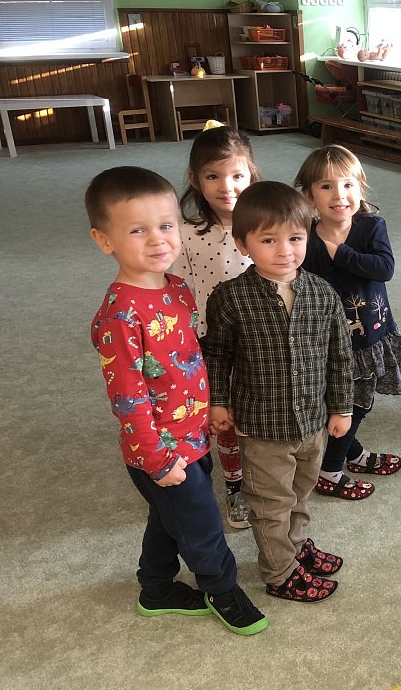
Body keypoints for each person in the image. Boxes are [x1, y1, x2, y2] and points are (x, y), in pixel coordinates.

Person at [87, 165, 267, 636]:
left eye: (166, 225)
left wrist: (209, 409)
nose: (157, 239)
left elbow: (188, 361)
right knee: (201, 523)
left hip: (193, 435)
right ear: (104, 241)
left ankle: (155, 587)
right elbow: (128, 399)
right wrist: (158, 459)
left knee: (168, 518)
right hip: (160, 451)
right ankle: (222, 589)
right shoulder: (121, 315)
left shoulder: (178, 290)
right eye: (137, 230)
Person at [201, 181, 354, 603]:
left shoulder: (323, 293)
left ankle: (297, 546)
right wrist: (218, 401)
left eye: (295, 238)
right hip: (262, 428)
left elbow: (341, 356)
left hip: (312, 423)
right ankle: (280, 572)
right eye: (269, 240)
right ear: (243, 244)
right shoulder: (230, 298)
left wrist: (341, 408)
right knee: (270, 504)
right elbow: (216, 355)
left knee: (300, 494)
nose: (285, 251)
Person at [294, 145, 401, 500]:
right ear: (309, 196)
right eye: (326, 186)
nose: (339, 195)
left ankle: (351, 454)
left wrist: (339, 252)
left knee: (358, 403)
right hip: (329, 341)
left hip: (370, 337)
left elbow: (384, 268)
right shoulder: (306, 237)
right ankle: (330, 473)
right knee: (344, 405)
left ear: (360, 187)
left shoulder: (371, 226)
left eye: (348, 184)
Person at [172, 123, 259, 530]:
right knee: (224, 419)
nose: (227, 187)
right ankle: (236, 487)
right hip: (213, 343)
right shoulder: (187, 235)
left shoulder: (266, 225)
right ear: (195, 179)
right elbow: (178, 291)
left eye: (237, 175)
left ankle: (266, 476)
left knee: (260, 412)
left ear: (251, 174)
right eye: (213, 176)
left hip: (263, 339)